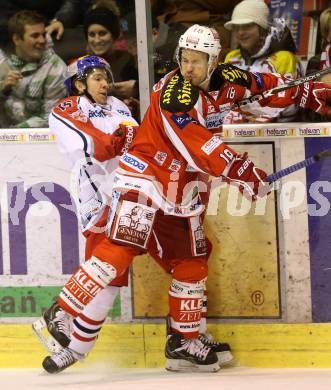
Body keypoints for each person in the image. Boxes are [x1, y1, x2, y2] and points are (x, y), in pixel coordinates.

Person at [35, 24, 331, 374]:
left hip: (184, 189)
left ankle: (183, 341)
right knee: (120, 247)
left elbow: (265, 87)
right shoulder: (174, 94)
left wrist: (307, 91)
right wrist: (244, 172)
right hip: (144, 179)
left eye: (197, 60)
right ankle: (62, 311)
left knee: (193, 260)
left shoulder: (229, 77)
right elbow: (200, 145)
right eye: (184, 59)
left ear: (214, 61)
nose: (188, 67)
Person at [223, 0, 303, 123]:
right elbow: (223, 101)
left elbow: (289, 107)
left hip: (278, 134)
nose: (240, 33)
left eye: (247, 26)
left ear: (262, 28)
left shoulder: (284, 58)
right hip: (235, 133)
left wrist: (245, 115)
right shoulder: (231, 58)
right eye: (236, 27)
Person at [0, 10, 67, 128]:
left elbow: (50, 117)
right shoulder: (4, 62)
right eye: (35, 35)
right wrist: (3, 89)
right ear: (16, 39)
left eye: (43, 34)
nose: (42, 40)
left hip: (37, 139)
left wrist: (13, 134)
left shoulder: (55, 67)